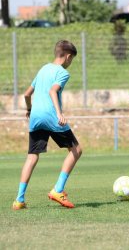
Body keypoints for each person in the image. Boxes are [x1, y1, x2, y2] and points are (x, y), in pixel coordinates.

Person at [12, 40, 82, 210]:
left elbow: (27, 94)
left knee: (32, 156)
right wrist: (59, 113)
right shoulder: (62, 73)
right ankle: (58, 189)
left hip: (35, 116)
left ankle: (19, 200)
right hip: (51, 115)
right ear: (68, 56)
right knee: (76, 150)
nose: (70, 63)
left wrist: (29, 109)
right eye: (71, 60)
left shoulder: (43, 68)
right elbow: (53, 91)